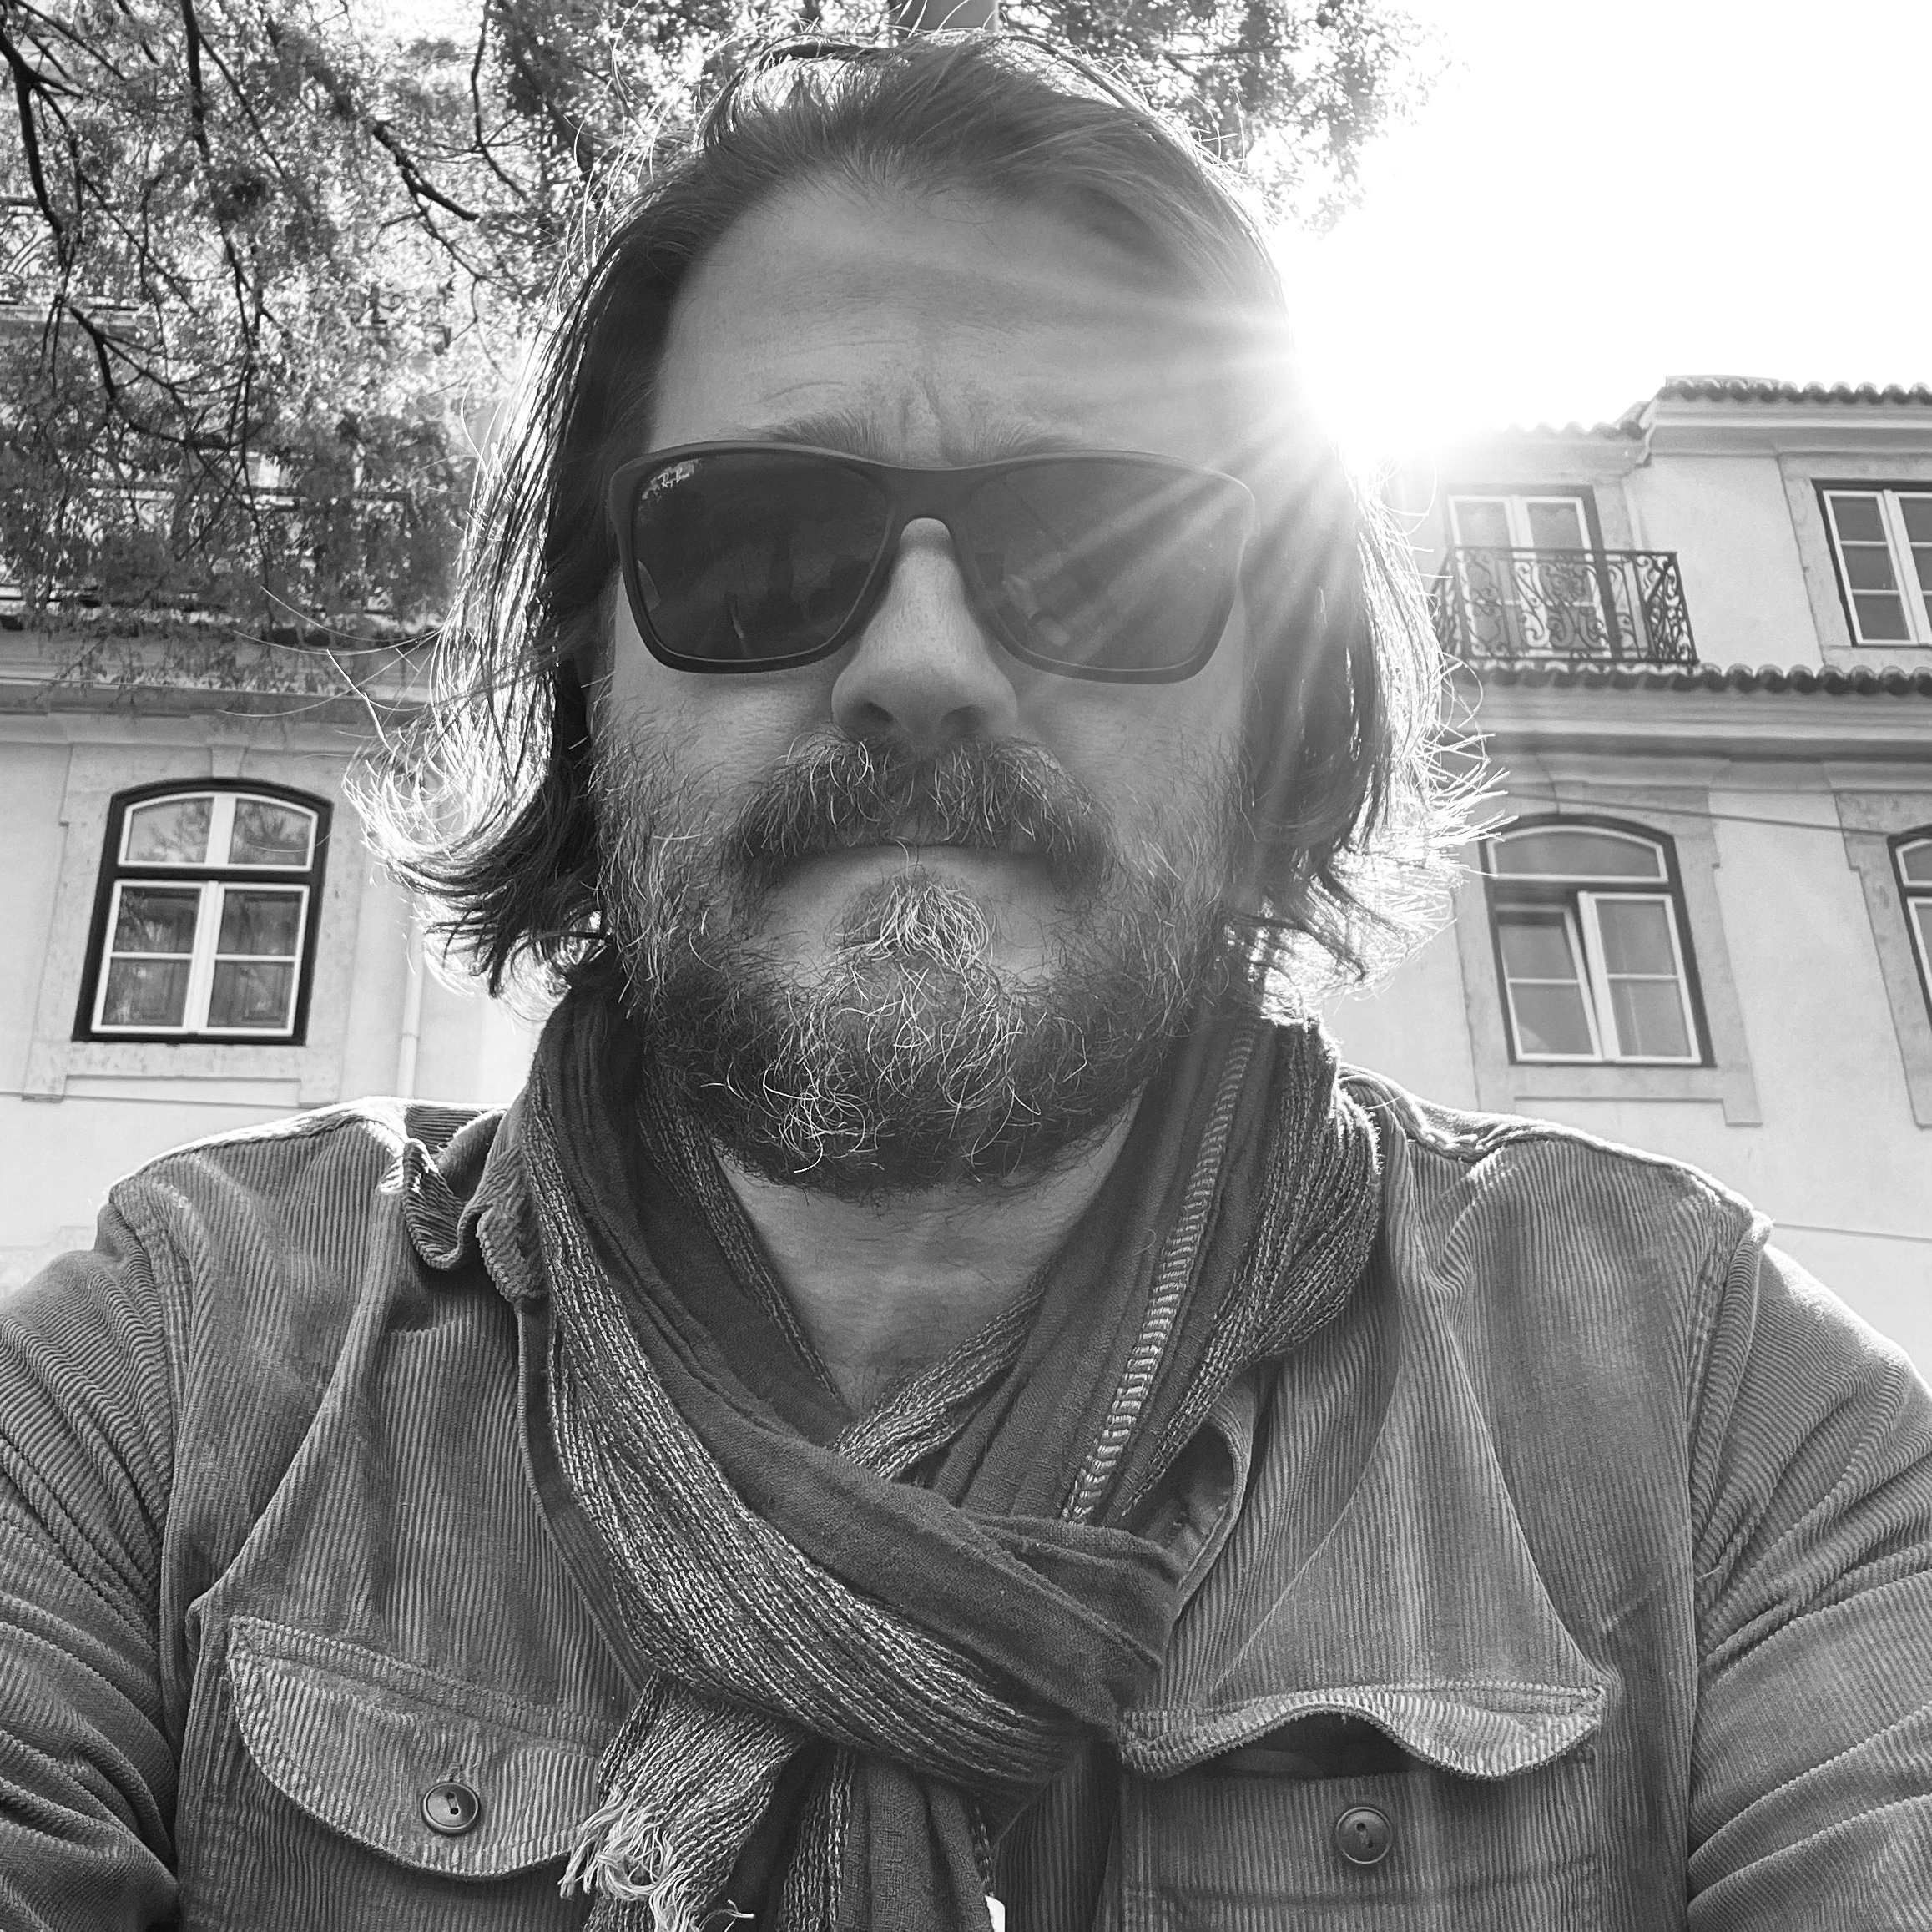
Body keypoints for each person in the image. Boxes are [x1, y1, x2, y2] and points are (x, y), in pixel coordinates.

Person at [2, 34, 1928, 1932]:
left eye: (1097, 552)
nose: (923, 665)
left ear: (1276, 700)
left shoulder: (1702, 1410)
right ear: (587, 670)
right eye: (761, 545)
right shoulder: (163, 1382)